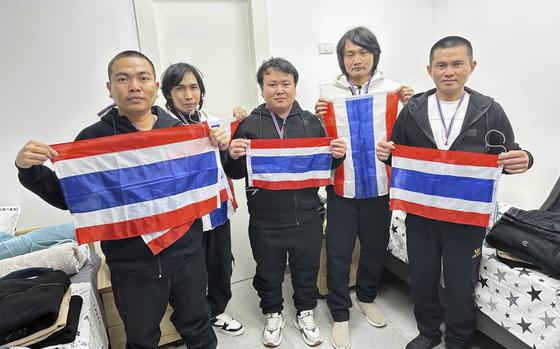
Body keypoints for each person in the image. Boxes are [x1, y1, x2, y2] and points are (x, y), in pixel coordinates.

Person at [15, 50, 219, 349]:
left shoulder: (183, 133)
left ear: (155, 85)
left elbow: (205, 185)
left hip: (186, 255)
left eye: (143, 78)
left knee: (198, 327)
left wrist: (220, 148)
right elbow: (70, 198)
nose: (134, 86)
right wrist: (29, 170)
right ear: (110, 88)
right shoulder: (92, 140)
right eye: (123, 79)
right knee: (140, 338)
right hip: (131, 264)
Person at [376, 36, 533, 349]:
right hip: (421, 214)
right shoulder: (413, 110)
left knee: (461, 282)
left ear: (471, 67)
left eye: (457, 63)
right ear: (429, 69)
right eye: (441, 65)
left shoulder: (489, 109)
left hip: (466, 216)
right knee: (422, 276)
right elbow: (398, 152)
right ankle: (428, 332)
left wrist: (526, 159)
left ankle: (458, 338)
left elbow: (508, 154)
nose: (449, 71)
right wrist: (386, 153)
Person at [224, 57, 347, 347]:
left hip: (306, 215)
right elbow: (236, 173)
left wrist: (338, 155)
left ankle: (305, 312)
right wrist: (232, 155)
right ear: (262, 88)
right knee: (268, 271)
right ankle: (273, 312)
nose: (279, 89)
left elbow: (326, 167)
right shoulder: (249, 125)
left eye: (285, 83)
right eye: (272, 84)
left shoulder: (311, 123)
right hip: (265, 219)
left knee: (306, 269)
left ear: (294, 86)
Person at [314, 26, 414, 349]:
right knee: (339, 253)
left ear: (374, 55)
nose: (356, 60)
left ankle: (367, 297)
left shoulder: (395, 91)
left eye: (363, 52)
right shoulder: (328, 93)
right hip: (342, 189)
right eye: (349, 54)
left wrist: (411, 105)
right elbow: (319, 141)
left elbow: (412, 137)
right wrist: (318, 119)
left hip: (380, 187)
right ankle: (340, 313)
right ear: (342, 59)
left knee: (374, 248)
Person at [160, 62, 245, 336]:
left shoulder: (214, 121)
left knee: (220, 264)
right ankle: (194, 319)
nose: (188, 95)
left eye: (194, 87)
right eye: (180, 88)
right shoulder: (160, 129)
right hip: (185, 215)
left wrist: (227, 144)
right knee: (191, 273)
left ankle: (218, 310)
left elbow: (233, 163)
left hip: (217, 208)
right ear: (168, 93)